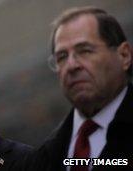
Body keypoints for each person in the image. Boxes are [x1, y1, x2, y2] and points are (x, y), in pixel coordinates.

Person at [31, 6, 133, 171]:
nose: (71, 66)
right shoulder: (45, 156)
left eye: (85, 50)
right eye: (62, 57)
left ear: (124, 55)